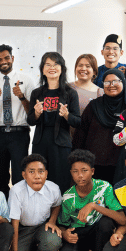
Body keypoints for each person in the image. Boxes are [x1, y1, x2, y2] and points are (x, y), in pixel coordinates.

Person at [57, 150, 125, 251]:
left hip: (99, 233)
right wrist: (65, 234)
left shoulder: (104, 187)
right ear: (71, 173)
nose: (80, 175)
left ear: (92, 171)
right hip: (80, 234)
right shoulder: (67, 197)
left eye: (84, 170)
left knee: (105, 223)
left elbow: (122, 219)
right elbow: (62, 224)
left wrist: (94, 206)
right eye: (75, 171)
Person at [27, 52, 81, 193]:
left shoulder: (70, 93)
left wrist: (67, 115)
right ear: (43, 69)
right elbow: (30, 121)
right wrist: (37, 114)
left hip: (61, 144)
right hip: (41, 142)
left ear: (62, 69)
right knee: (40, 179)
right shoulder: (36, 93)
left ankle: (61, 213)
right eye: (48, 64)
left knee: (61, 180)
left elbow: (77, 122)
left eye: (56, 64)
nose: (52, 67)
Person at [0, 44, 35, 197]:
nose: (3, 61)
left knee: (20, 176)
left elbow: (32, 113)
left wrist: (21, 96)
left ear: (12, 58)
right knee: (0, 176)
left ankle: (19, 214)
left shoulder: (26, 80)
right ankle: (4, 212)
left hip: (19, 134)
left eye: (6, 58)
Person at [4, 154, 63, 251]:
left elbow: (57, 205)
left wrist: (52, 221)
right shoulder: (16, 191)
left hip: (42, 226)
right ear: (24, 175)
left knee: (53, 242)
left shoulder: (53, 188)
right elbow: (14, 224)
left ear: (46, 173)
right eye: (31, 172)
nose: (37, 176)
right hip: (22, 229)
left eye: (41, 172)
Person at [73, 69, 126, 185]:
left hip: (123, 165)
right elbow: (81, 134)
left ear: (123, 82)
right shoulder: (94, 105)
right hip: (95, 164)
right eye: (107, 82)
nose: (111, 85)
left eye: (115, 81)